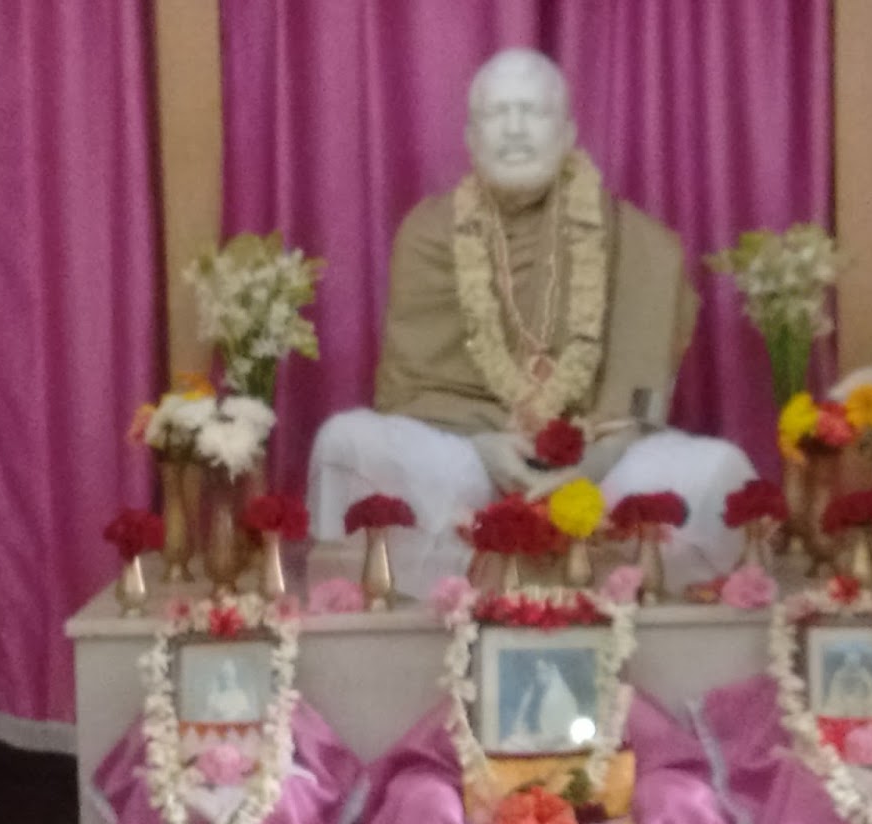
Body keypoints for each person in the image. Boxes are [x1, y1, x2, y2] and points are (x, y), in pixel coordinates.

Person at [308, 48, 755, 597]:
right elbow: (412, 392)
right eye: (498, 114)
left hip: (604, 464)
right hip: (464, 460)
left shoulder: (637, 240)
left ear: (568, 134)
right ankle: (418, 610)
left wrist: (593, 462)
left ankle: (621, 603)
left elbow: (640, 405)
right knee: (343, 442)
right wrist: (486, 448)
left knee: (719, 468)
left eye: (533, 112)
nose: (515, 129)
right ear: (470, 138)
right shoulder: (429, 231)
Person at [503, 655, 583, 751]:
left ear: (552, 671)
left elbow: (558, 735)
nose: (538, 676)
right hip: (543, 742)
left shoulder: (558, 696)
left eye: (542, 671)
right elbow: (519, 725)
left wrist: (537, 740)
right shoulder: (537, 691)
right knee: (510, 743)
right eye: (538, 672)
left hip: (558, 745)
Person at [821, 648, 872, 719]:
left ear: (858, 663)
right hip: (842, 704)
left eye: (854, 662)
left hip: (862, 704)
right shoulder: (839, 675)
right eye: (850, 662)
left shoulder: (865, 674)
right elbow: (834, 696)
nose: (852, 666)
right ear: (846, 662)